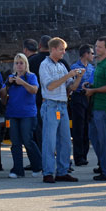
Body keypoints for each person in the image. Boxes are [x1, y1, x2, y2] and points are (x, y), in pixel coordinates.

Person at [40, 37, 83, 183]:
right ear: (52, 49)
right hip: (51, 105)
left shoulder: (61, 66)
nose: (64, 52)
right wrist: (69, 75)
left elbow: (71, 87)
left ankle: (62, 171)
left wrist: (78, 78)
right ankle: (48, 172)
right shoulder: (44, 65)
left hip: (62, 106)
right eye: (61, 49)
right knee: (49, 141)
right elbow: (50, 86)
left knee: (65, 141)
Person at [83, 36, 106, 181]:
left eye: (100, 47)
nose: (97, 49)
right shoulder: (100, 64)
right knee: (96, 139)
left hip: (103, 108)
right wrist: (91, 87)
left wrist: (94, 91)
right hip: (95, 107)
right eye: (96, 46)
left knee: (105, 140)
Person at [1, 53, 42, 178]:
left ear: (26, 64)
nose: (19, 65)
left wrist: (22, 83)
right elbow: (2, 93)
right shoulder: (10, 77)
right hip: (13, 113)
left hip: (27, 114)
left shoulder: (31, 76)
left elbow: (34, 90)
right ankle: (17, 169)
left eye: (21, 63)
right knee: (15, 142)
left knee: (27, 140)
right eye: (17, 63)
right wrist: (8, 84)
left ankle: (38, 165)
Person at [69, 44, 94, 166]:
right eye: (91, 53)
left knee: (86, 128)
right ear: (86, 54)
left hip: (88, 97)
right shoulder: (75, 67)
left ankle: (84, 154)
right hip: (78, 96)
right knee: (78, 128)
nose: (93, 55)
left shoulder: (91, 68)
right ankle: (78, 156)